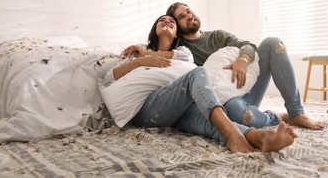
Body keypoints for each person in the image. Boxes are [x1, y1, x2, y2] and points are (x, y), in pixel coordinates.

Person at [103, 15, 298, 153]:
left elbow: (178, 57)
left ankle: (258, 138)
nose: (167, 21)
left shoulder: (184, 53)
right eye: (162, 20)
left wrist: (149, 55)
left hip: (178, 108)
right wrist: (139, 60)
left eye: (171, 21)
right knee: (198, 73)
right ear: (154, 30)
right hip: (149, 108)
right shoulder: (138, 52)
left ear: (177, 34)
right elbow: (110, 79)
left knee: (207, 121)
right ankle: (233, 134)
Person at [166, 2, 324, 130]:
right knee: (239, 114)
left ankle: (296, 112)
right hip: (228, 102)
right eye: (181, 16)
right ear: (177, 27)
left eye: (188, 10)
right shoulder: (181, 52)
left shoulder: (217, 36)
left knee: (273, 43)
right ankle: (277, 117)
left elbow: (247, 45)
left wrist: (242, 60)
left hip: (247, 86)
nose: (188, 16)